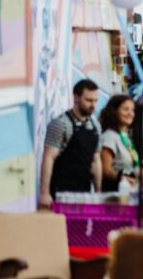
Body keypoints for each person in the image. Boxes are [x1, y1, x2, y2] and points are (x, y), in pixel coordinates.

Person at [39, 79, 102, 208]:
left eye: (95, 101)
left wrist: (98, 192)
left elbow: (96, 160)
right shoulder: (61, 124)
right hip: (61, 191)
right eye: (88, 100)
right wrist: (44, 193)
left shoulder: (95, 126)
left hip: (84, 191)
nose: (93, 105)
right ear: (76, 97)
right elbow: (48, 157)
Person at [98, 94, 140, 193]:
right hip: (113, 193)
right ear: (114, 111)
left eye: (132, 110)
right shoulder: (109, 136)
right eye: (126, 109)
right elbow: (106, 170)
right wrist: (123, 179)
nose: (131, 113)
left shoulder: (124, 137)